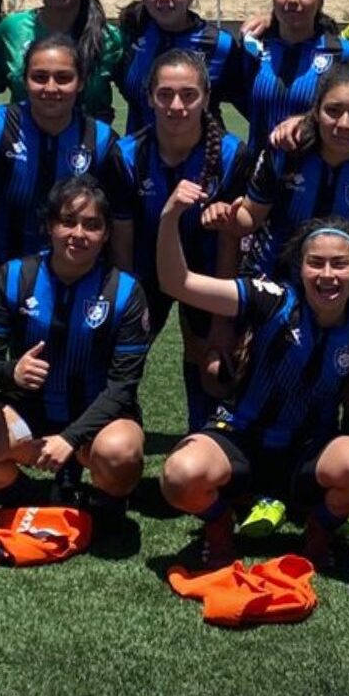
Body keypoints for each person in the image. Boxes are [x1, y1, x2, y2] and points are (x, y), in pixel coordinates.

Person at [158, 187, 349, 569]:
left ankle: (318, 528)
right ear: (300, 269)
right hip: (241, 439)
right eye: (316, 263)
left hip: (308, 453)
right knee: (179, 475)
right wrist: (170, 217)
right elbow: (177, 283)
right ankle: (219, 526)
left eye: (340, 264)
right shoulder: (271, 300)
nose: (327, 275)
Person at [0, 176, 152, 524]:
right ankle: (26, 495)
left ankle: (107, 503)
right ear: (50, 226)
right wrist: (11, 371)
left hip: (97, 417)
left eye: (92, 225)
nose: (78, 234)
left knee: (121, 454)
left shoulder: (126, 292)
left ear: (106, 234)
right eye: (68, 222)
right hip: (30, 414)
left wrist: (69, 438)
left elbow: (124, 386)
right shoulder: (14, 277)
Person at [109, 49, 252, 431]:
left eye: (188, 95)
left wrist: (223, 320)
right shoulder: (126, 155)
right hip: (145, 268)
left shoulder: (232, 153)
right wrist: (126, 302)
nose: (176, 105)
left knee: (215, 361)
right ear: (149, 97)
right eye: (165, 94)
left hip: (207, 268)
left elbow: (229, 240)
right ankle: (118, 421)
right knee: (117, 351)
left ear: (206, 97)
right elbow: (122, 239)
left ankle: (204, 434)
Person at [0, 35, 127, 289]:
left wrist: (119, 278)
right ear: (24, 81)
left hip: (73, 274)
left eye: (63, 78)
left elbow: (120, 215)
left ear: (81, 82)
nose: (50, 88)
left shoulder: (101, 139)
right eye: (40, 77)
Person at [232, 60, 349, 295]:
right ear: (315, 111)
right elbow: (249, 217)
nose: (344, 124)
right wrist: (225, 214)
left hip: (337, 293)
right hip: (270, 282)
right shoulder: (286, 151)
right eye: (333, 111)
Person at [222, 0, 349, 150]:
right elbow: (236, 96)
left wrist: (308, 123)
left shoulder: (341, 52)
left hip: (314, 173)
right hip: (259, 173)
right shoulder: (253, 47)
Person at [114, 0, 240, 133]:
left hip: (204, 158)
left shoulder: (220, 45)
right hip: (139, 158)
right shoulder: (132, 31)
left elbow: (256, 106)